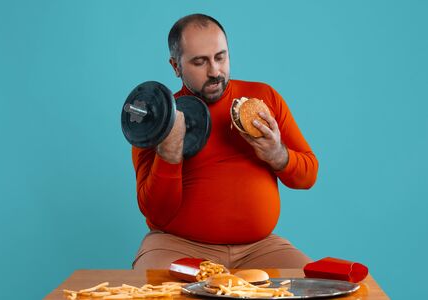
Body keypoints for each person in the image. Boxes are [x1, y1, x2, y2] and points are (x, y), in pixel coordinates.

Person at [131, 14, 318, 270]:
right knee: (156, 293)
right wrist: (168, 155)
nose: (215, 71)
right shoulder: (157, 119)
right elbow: (156, 214)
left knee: (316, 289)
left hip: (259, 248)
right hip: (177, 246)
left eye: (220, 57)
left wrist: (278, 155)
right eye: (200, 62)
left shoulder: (264, 98)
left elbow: (308, 176)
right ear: (176, 66)